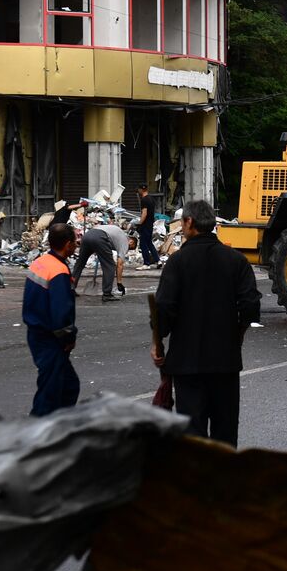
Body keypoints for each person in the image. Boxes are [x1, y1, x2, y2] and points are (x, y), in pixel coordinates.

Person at [152, 200, 260, 446]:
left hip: (187, 362)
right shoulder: (236, 260)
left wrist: (157, 341)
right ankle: (223, 481)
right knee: (225, 429)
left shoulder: (177, 262)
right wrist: (239, 332)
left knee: (193, 431)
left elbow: (164, 307)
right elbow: (250, 304)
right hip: (225, 361)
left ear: (190, 222)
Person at [23, 222, 80, 416]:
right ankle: (38, 433)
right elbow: (60, 312)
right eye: (74, 241)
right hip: (50, 339)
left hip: (36, 332)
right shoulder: (59, 271)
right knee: (50, 392)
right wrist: (68, 338)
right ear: (67, 244)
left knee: (68, 386)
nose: (76, 244)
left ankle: (59, 427)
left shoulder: (40, 262)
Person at [71, 222, 127, 302]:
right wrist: (119, 282)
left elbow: (96, 228)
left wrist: (97, 247)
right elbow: (120, 264)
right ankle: (107, 294)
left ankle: (70, 288)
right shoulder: (125, 243)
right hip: (100, 237)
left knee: (80, 263)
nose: (127, 250)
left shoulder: (115, 231)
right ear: (131, 242)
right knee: (109, 266)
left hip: (88, 235)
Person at [136, 184, 160, 269]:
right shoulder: (151, 199)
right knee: (149, 243)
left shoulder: (144, 200)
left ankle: (146, 264)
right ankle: (158, 260)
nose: (138, 191)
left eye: (138, 189)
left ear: (141, 190)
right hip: (150, 224)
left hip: (145, 225)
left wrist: (139, 223)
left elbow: (144, 213)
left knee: (143, 244)